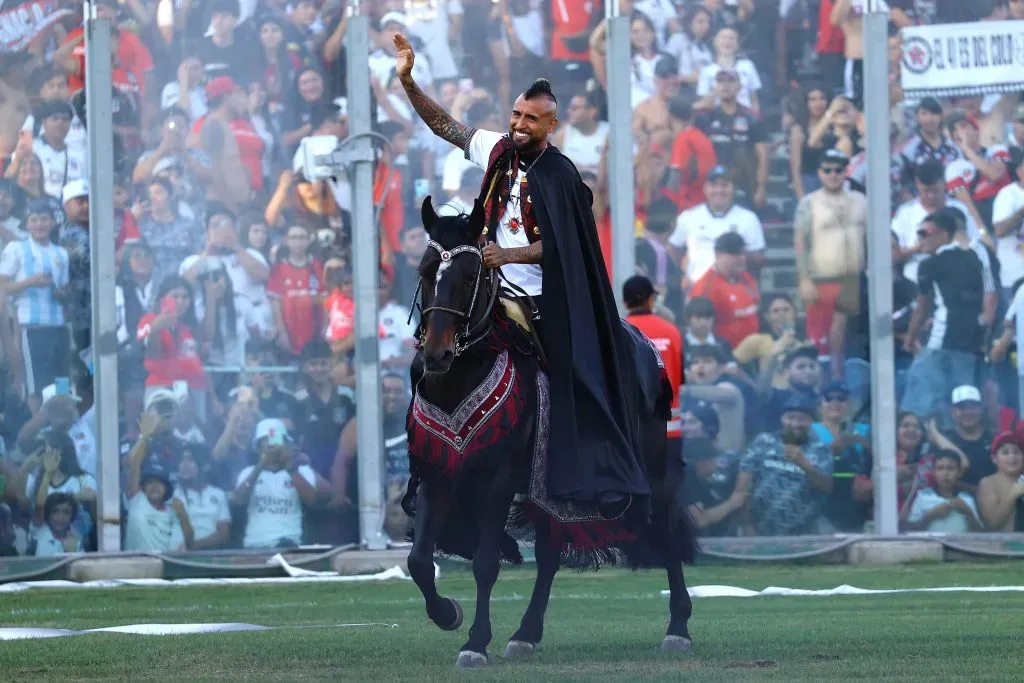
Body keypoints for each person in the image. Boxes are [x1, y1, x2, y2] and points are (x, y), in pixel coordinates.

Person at [395, 33, 648, 516]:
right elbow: (443, 123)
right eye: (516, 114)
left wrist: (508, 257)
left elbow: (568, 248)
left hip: (540, 299)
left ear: (551, 124)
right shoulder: (495, 149)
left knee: (577, 372)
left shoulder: (562, 174)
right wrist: (408, 81)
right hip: (483, 290)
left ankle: (599, 477)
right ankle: (422, 472)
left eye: (532, 119)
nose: (520, 124)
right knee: (428, 348)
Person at [623, 275, 684, 447]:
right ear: (650, 300)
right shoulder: (672, 332)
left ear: (625, 302)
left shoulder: (618, 333)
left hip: (634, 431)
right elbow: (680, 379)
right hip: (670, 428)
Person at [901, 450, 983, 533]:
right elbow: (910, 530)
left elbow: (980, 533)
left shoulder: (966, 498)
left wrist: (968, 512)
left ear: (959, 472)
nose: (945, 473)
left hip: (959, 545)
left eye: (950, 468)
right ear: (934, 472)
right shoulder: (922, 496)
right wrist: (930, 516)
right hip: (931, 545)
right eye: (940, 468)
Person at [976, 431, 1024, 531]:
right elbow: (992, 522)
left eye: (1017, 452)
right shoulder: (988, 483)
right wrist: (1013, 495)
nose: (1012, 457)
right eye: (1005, 452)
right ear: (994, 458)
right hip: (1003, 544)